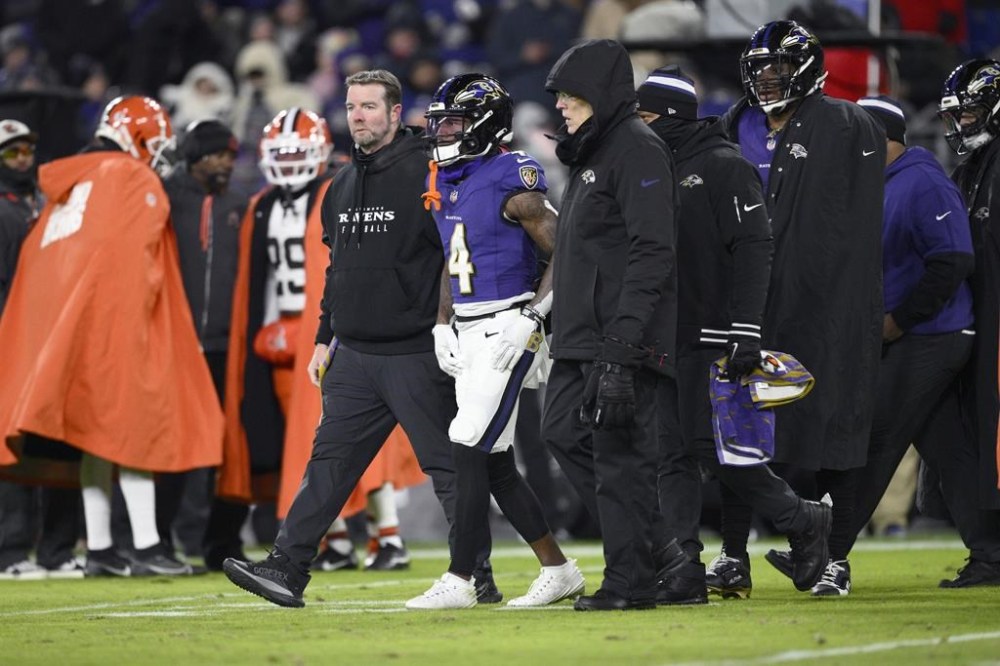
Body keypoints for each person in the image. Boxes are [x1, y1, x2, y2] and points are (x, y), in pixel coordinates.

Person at [222, 70, 494, 608]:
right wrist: (325, 337)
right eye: (352, 106)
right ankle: (288, 567)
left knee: (446, 468)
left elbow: (458, 249)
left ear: (396, 113)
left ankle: (475, 574)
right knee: (328, 464)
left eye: (371, 106)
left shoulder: (430, 168)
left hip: (417, 348)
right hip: (355, 354)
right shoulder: (341, 183)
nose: (359, 115)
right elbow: (337, 270)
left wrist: (449, 326)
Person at [777, 93, 994, 595]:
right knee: (948, 450)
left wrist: (899, 320)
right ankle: (991, 553)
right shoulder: (873, 185)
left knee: (870, 437)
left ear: (876, 139)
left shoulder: (922, 180)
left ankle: (826, 553)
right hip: (910, 334)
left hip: (934, 335)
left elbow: (953, 259)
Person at [0, 96, 224, 576]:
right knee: (130, 426)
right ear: (133, 135)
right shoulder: (129, 177)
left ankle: (101, 549)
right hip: (107, 319)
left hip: (58, 323)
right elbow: (131, 259)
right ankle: (146, 546)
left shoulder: (75, 179)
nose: (159, 154)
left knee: (94, 436)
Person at [635, 66, 831, 603]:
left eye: (646, 116)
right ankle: (683, 568)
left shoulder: (725, 166)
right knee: (669, 455)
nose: (640, 127)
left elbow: (754, 249)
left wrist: (745, 331)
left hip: (713, 332)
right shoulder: (654, 167)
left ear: (672, 116)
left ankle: (802, 518)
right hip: (665, 334)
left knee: (710, 449)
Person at [710, 20, 885, 597]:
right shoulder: (736, 123)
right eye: (759, 72)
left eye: (777, 70)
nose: (766, 81)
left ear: (806, 70)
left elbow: (849, 226)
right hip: (751, 301)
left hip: (826, 303)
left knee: (834, 426)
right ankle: (734, 556)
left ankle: (835, 557)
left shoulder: (848, 123)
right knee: (737, 428)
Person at [404, 73, 584, 610]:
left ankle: (462, 578)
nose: (442, 133)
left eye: (453, 123)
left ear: (484, 126)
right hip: (467, 327)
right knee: (496, 460)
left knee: (465, 441)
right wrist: (442, 322)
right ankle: (559, 569)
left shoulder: (512, 177)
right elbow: (453, 257)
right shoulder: (449, 179)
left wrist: (532, 316)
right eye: (439, 123)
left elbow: (566, 252)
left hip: (507, 328)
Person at [219, 106, 424, 573]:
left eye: (298, 152)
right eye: (282, 153)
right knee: (313, 449)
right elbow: (259, 278)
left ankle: (387, 536)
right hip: (281, 338)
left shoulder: (341, 191)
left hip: (333, 332)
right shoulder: (262, 205)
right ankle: (333, 543)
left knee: (355, 439)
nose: (290, 162)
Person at [541, 39, 677, 611]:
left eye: (571, 96)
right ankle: (660, 550)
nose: (562, 108)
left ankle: (630, 582)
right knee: (561, 433)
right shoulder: (593, 151)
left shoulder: (637, 149)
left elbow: (653, 250)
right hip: (579, 335)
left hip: (616, 336)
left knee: (619, 459)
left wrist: (622, 344)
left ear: (600, 94)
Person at [0, 119, 84, 580]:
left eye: (27, 150)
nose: (23, 159)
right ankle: (11, 550)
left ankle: (56, 549)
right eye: (12, 153)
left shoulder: (50, 203)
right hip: (12, 341)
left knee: (60, 445)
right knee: (12, 446)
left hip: (52, 339)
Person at [160, 118, 245, 565]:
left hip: (224, 348)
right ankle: (155, 538)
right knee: (173, 447)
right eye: (217, 155)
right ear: (194, 156)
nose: (226, 163)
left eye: (231, 155)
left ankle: (206, 542)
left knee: (220, 449)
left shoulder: (239, 203)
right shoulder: (164, 198)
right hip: (175, 344)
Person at [935, 60, 1000, 586]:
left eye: (972, 110)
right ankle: (991, 551)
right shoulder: (970, 170)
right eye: (958, 114)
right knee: (978, 431)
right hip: (979, 320)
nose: (963, 123)